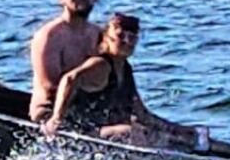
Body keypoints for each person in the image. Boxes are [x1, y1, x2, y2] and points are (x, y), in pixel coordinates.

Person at [41, 13, 189, 148]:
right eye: (120, 36)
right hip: (81, 131)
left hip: (105, 132)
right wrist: (56, 119)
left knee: (159, 135)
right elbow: (69, 79)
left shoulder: (125, 69)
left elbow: (142, 114)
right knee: (132, 133)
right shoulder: (101, 65)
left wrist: (178, 130)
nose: (127, 42)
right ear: (106, 37)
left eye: (132, 38)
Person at [29, 0, 102, 122]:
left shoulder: (98, 34)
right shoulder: (49, 36)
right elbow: (50, 87)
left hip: (90, 109)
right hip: (50, 113)